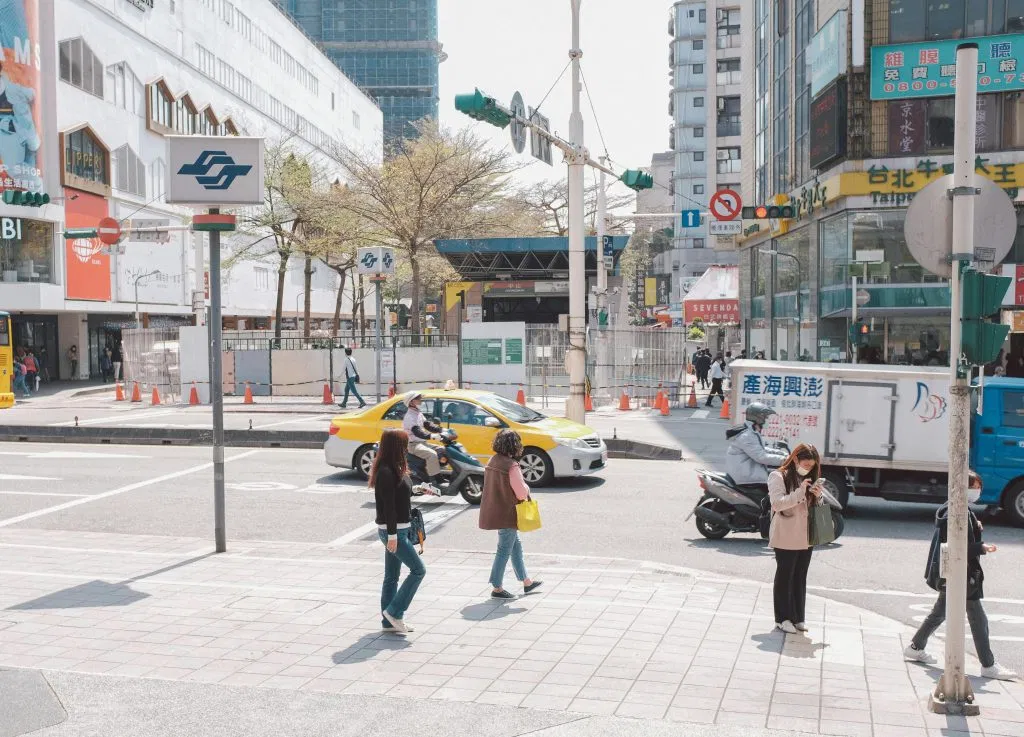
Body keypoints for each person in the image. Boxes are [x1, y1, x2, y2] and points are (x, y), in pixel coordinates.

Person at [904, 472, 1017, 680]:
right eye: (974, 486)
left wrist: (975, 528)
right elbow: (957, 544)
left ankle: (915, 646)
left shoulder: (952, 507)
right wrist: (980, 546)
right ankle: (988, 665)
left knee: (939, 613)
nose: (978, 491)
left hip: (952, 572)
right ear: (962, 487)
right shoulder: (958, 511)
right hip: (960, 573)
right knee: (977, 618)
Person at [371, 428, 426, 635]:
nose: (407, 447)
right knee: (419, 570)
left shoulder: (395, 467)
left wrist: (420, 490)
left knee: (391, 577)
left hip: (398, 530)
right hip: (393, 532)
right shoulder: (385, 471)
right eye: (404, 444)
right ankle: (395, 612)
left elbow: (402, 492)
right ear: (396, 446)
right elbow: (389, 507)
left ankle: (388, 622)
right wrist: (392, 536)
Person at [768, 443, 824, 634]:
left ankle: (798, 618)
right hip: (786, 533)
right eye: (805, 464)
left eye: (811, 466)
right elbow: (776, 503)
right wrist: (800, 492)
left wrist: (818, 496)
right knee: (785, 576)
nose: (807, 468)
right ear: (795, 459)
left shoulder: (810, 478)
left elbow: (814, 508)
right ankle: (782, 618)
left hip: (806, 535)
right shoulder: (778, 476)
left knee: (800, 576)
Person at [479, 429, 541, 599]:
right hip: (508, 512)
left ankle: (526, 582)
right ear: (515, 445)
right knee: (504, 549)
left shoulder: (493, 460)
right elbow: (521, 493)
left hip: (496, 510)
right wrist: (527, 487)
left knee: (515, 546)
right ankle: (497, 587)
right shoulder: (511, 466)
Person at [725, 402, 788, 490]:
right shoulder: (747, 436)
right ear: (757, 418)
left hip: (750, 470)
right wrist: (785, 460)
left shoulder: (752, 432)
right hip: (746, 475)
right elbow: (761, 457)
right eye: (765, 417)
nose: (767, 420)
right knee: (778, 486)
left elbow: (761, 449)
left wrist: (783, 454)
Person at [402, 392, 445, 495]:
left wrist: (441, 430)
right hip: (414, 445)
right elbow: (418, 432)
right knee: (432, 454)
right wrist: (431, 436)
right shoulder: (409, 417)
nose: (420, 400)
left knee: (442, 450)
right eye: (418, 398)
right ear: (411, 402)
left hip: (422, 443)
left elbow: (428, 425)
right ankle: (434, 480)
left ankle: (434, 472)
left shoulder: (418, 413)